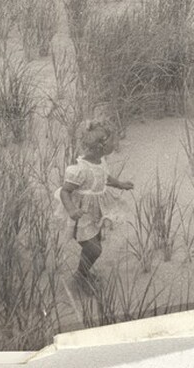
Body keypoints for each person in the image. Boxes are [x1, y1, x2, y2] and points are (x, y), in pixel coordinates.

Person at [55, 119, 134, 291]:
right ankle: (80, 277)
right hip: (82, 215)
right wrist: (71, 210)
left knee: (94, 244)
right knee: (94, 249)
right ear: (100, 146)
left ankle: (83, 273)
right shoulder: (80, 170)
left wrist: (120, 184)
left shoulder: (100, 161)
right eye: (113, 141)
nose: (115, 144)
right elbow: (65, 191)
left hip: (95, 212)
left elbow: (105, 177)